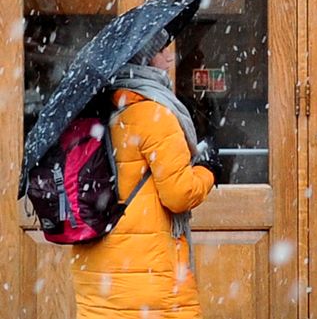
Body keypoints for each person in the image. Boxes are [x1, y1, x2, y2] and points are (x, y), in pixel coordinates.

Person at [70, 29, 222, 319]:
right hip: (148, 281)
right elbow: (179, 194)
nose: (169, 55)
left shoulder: (94, 112)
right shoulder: (153, 114)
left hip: (96, 278)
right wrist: (207, 169)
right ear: (143, 60)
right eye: (161, 48)